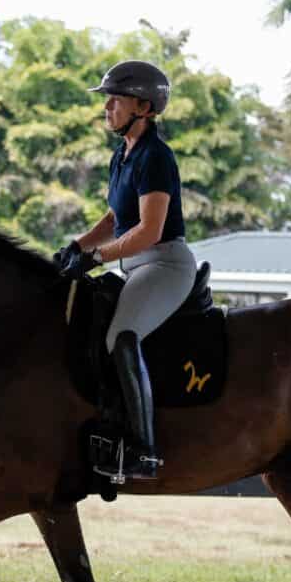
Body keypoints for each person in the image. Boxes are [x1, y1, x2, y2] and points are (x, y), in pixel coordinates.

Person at [54, 60, 197, 479]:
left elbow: (149, 230)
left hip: (165, 263)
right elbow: (112, 220)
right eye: (107, 101)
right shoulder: (123, 155)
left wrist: (96, 259)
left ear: (144, 106)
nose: (107, 108)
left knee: (121, 336)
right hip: (136, 264)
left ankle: (144, 449)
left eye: (115, 100)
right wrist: (75, 247)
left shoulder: (156, 157)